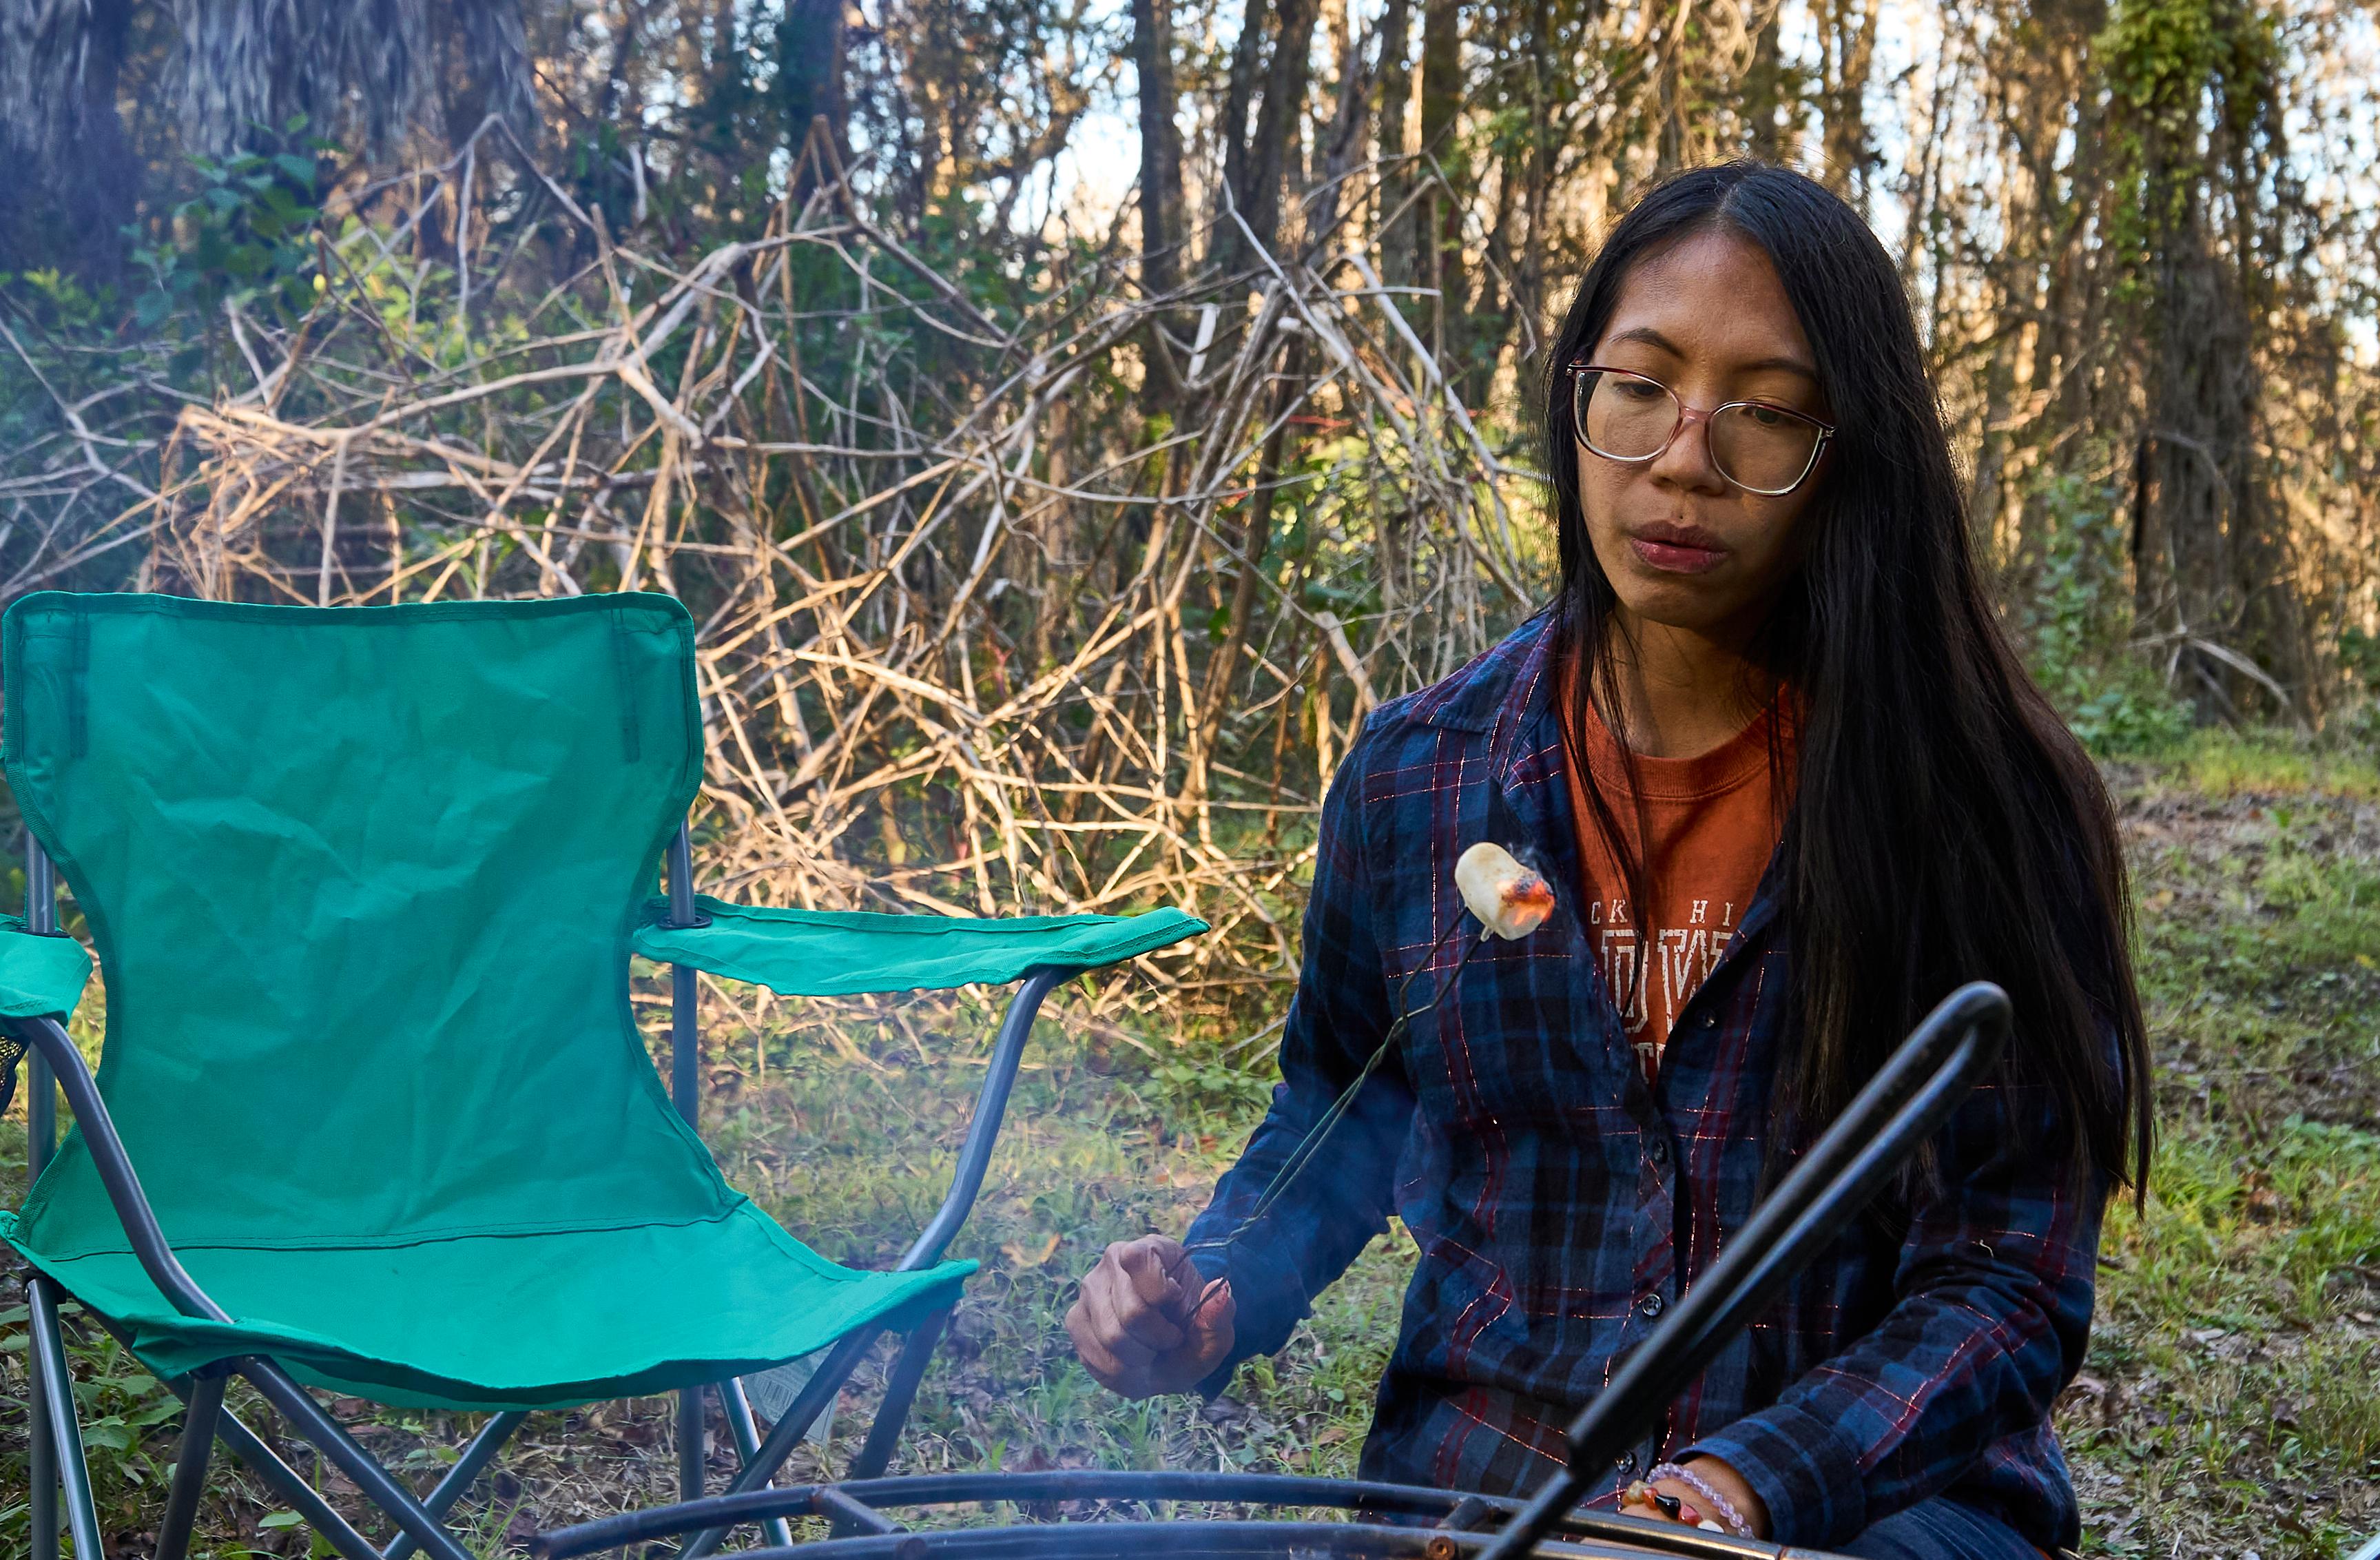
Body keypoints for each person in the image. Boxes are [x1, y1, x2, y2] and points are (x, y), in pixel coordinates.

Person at [1064, 161, 2151, 1560]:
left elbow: (2003, 1279)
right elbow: (1340, 1111)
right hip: (1481, 1506)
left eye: (1762, 412)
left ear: (1848, 452)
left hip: (1870, 1515)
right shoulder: (1421, 776)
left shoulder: (1977, 806)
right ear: (1577, 395)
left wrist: (1739, 1489)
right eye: (1641, 385)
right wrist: (1205, 1294)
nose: (1685, 459)